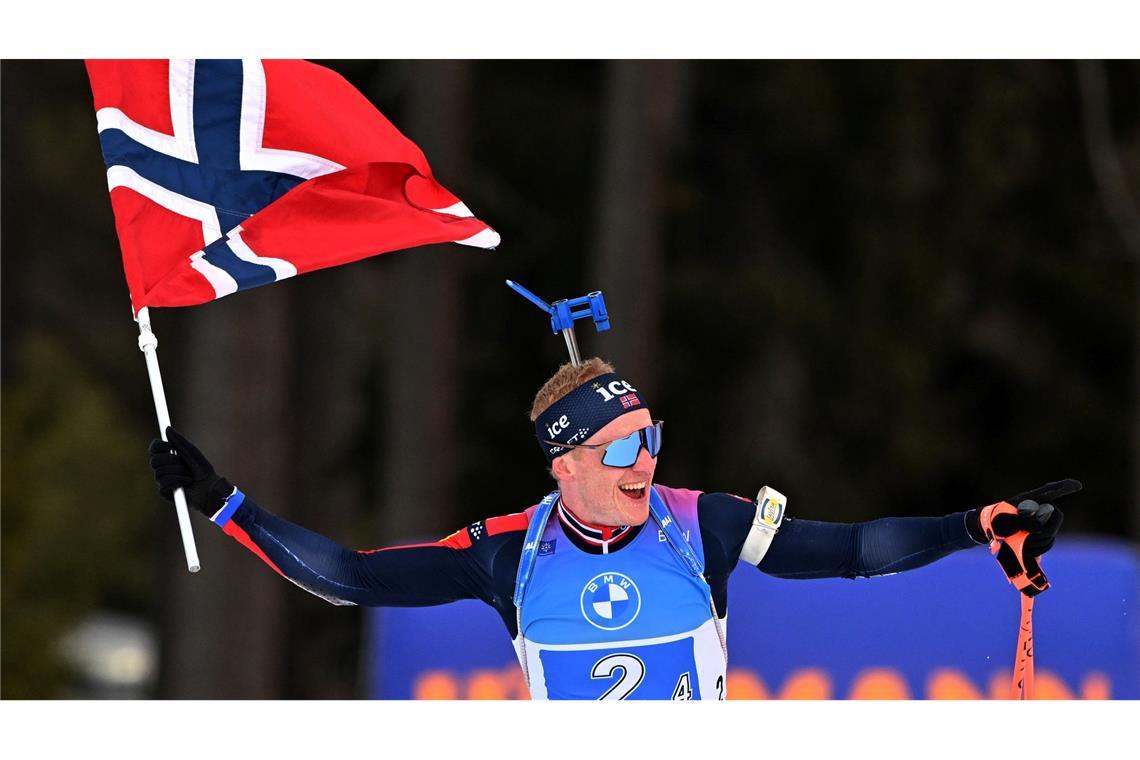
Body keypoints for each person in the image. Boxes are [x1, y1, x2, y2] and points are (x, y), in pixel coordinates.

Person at [149, 357, 1071, 700]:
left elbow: (856, 553)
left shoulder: (702, 525)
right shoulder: (507, 553)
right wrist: (223, 501)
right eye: (623, 446)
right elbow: (351, 576)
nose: (647, 462)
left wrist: (976, 524)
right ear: (566, 464)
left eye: (651, 437)